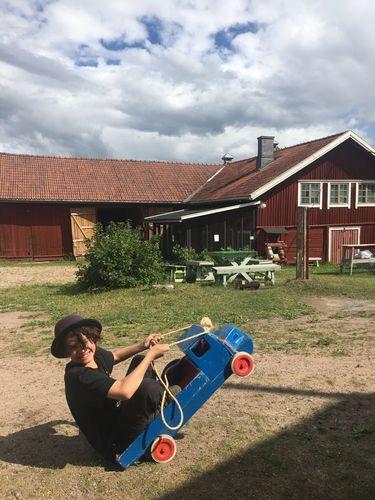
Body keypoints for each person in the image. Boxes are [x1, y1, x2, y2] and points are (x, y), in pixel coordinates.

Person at [51, 313, 176, 462]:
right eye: (74, 347)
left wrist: (142, 346)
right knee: (148, 386)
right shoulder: (79, 376)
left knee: (140, 361)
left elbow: (114, 356)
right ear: (66, 351)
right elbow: (124, 391)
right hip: (115, 441)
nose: (82, 350)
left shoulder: (93, 355)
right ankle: (161, 402)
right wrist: (151, 355)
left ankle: (157, 400)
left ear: (92, 338)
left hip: (117, 414)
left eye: (85, 342)